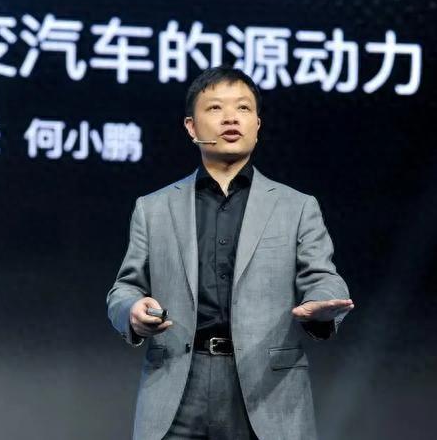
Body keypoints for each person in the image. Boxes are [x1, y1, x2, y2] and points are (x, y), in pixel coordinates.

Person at [106, 65, 354, 440]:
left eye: (243, 108)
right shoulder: (153, 208)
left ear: (257, 124)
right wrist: (132, 311)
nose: (230, 118)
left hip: (266, 388)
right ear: (191, 127)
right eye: (215, 108)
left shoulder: (296, 206)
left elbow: (323, 278)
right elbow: (124, 289)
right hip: (176, 386)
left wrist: (322, 303)